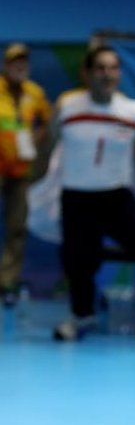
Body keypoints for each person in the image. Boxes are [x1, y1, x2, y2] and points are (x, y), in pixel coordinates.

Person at [42, 46, 135, 341]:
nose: (107, 74)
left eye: (113, 68)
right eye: (100, 68)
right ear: (87, 73)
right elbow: (45, 152)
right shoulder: (67, 108)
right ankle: (82, 315)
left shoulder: (133, 113)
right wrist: (34, 189)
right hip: (77, 197)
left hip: (117, 198)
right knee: (78, 259)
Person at [0, 43, 51, 305]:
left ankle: (7, 282)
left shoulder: (35, 93)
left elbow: (49, 121)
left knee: (16, 228)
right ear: (5, 65)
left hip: (22, 170)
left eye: (23, 62)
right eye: (13, 62)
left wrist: (37, 136)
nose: (19, 67)